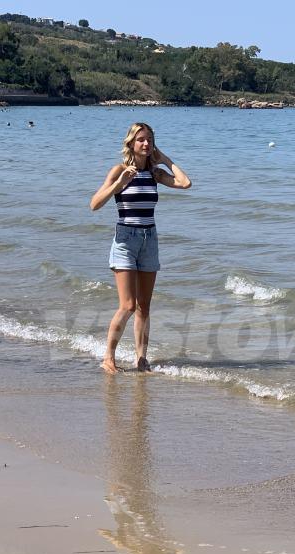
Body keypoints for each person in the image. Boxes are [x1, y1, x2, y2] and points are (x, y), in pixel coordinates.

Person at [90, 122, 192, 373]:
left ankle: (141, 358)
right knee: (127, 305)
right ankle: (108, 358)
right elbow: (94, 204)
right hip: (125, 240)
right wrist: (119, 184)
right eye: (140, 140)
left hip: (150, 239)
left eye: (149, 140)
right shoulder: (119, 170)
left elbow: (185, 183)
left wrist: (165, 159)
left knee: (144, 306)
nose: (145, 144)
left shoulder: (155, 174)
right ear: (131, 144)